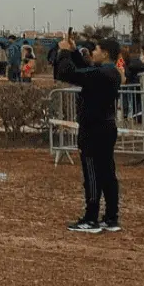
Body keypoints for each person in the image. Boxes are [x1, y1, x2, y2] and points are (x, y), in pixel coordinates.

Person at [54, 36, 123, 233]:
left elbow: (67, 73)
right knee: (107, 173)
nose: (93, 52)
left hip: (93, 129)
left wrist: (65, 52)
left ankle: (90, 218)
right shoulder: (110, 72)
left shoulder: (102, 74)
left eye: (97, 49)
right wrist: (75, 52)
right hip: (106, 127)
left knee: (92, 172)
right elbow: (85, 70)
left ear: (106, 53)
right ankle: (111, 217)